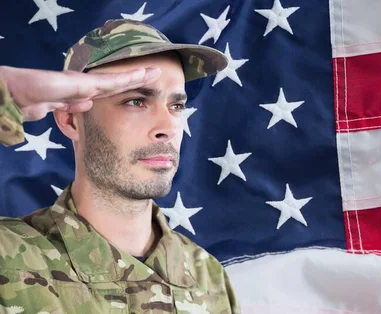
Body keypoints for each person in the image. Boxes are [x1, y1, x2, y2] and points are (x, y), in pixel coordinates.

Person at [0, 19, 241, 313]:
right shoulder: (9, 258)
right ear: (70, 120)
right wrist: (6, 93)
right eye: (136, 101)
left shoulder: (208, 278)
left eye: (176, 106)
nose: (167, 127)